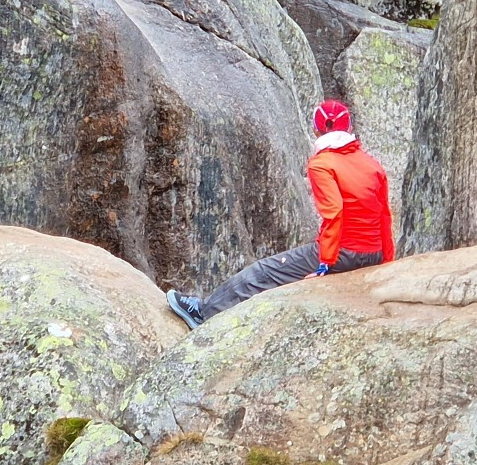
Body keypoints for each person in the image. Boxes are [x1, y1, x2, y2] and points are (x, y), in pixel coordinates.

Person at [167, 101, 393, 328]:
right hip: (372, 253)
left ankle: (202, 313)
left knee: (263, 271)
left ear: (316, 129)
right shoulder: (372, 165)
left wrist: (325, 264)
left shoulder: (322, 164)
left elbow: (334, 213)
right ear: (349, 128)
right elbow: (384, 215)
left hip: (341, 253)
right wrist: (386, 261)